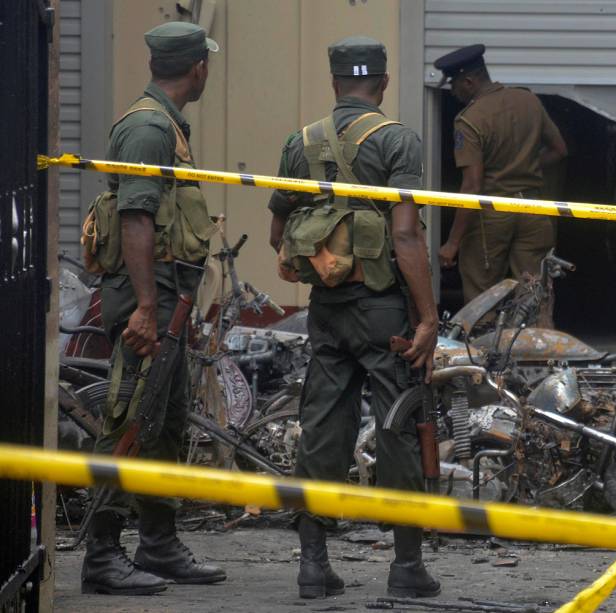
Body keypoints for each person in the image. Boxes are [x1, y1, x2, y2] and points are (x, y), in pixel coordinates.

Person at [268, 36, 440, 600]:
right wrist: (428, 316)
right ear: (383, 83)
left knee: (322, 426)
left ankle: (313, 565)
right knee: (396, 425)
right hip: (383, 308)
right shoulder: (395, 140)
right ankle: (406, 567)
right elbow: (406, 233)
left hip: (327, 309)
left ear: (335, 82)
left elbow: (278, 235)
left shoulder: (299, 144)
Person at [80, 22, 225, 595]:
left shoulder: (166, 124)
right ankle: (102, 554)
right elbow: (137, 220)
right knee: (127, 417)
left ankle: (159, 544)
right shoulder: (147, 128)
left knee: (162, 423)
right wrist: (144, 307)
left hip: (169, 298)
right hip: (150, 297)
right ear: (197, 68)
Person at [435, 44, 568, 307]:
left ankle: (484, 348)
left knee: (483, 299)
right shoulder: (529, 100)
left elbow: (472, 187)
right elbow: (560, 150)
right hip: (533, 209)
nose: (452, 92)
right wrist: (526, 167)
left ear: (469, 81)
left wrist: (452, 243)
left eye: (454, 85)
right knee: (534, 293)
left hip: (492, 214)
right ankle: (536, 343)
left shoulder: (470, 120)